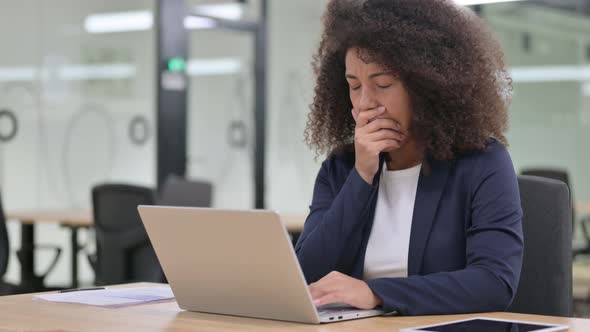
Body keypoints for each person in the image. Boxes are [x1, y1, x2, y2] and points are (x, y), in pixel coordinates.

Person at [295, 0, 523, 316]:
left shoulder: (482, 162)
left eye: (383, 84)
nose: (364, 103)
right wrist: (361, 176)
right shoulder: (341, 168)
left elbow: (495, 283)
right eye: (354, 86)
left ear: (425, 84)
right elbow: (307, 276)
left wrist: (375, 292)